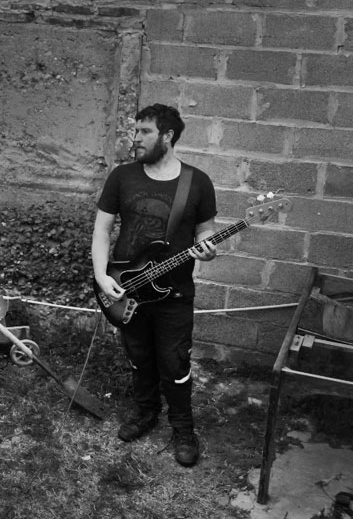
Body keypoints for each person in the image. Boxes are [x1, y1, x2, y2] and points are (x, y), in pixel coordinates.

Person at [91, 103, 217, 467]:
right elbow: (102, 230)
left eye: (144, 132)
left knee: (175, 363)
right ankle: (146, 413)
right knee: (139, 358)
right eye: (136, 131)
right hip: (127, 287)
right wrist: (101, 276)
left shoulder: (197, 182)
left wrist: (207, 249)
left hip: (174, 293)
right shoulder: (122, 176)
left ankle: (183, 429)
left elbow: (205, 231)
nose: (136, 138)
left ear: (168, 136)